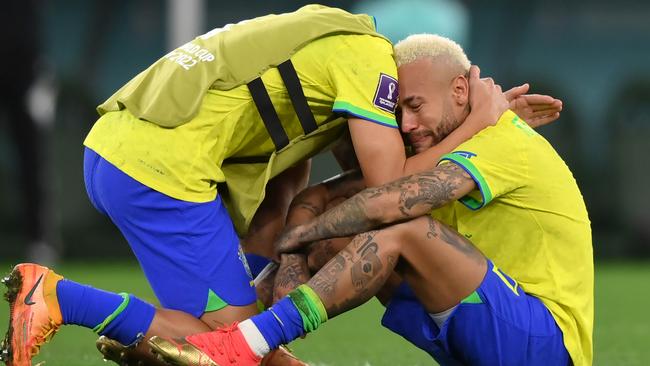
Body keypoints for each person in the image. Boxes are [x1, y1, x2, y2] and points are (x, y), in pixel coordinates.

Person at [0, 5, 536, 365]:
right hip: (160, 168)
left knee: (230, 332)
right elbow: (389, 190)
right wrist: (480, 124)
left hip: (116, 151)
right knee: (226, 346)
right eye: (410, 112)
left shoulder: (323, 56)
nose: (413, 130)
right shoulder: (373, 64)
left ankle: (148, 342)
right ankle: (56, 296)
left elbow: (277, 205)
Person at [148, 34, 592, 366]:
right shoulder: (435, 149)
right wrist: (301, 249)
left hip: (544, 343)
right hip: (484, 327)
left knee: (402, 228)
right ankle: (219, 340)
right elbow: (317, 195)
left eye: (415, 105)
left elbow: (387, 204)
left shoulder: (501, 135)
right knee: (344, 237)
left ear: (460, 90)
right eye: (397, 113)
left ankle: (239, 346)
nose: (406, 124)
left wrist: (297, 237)